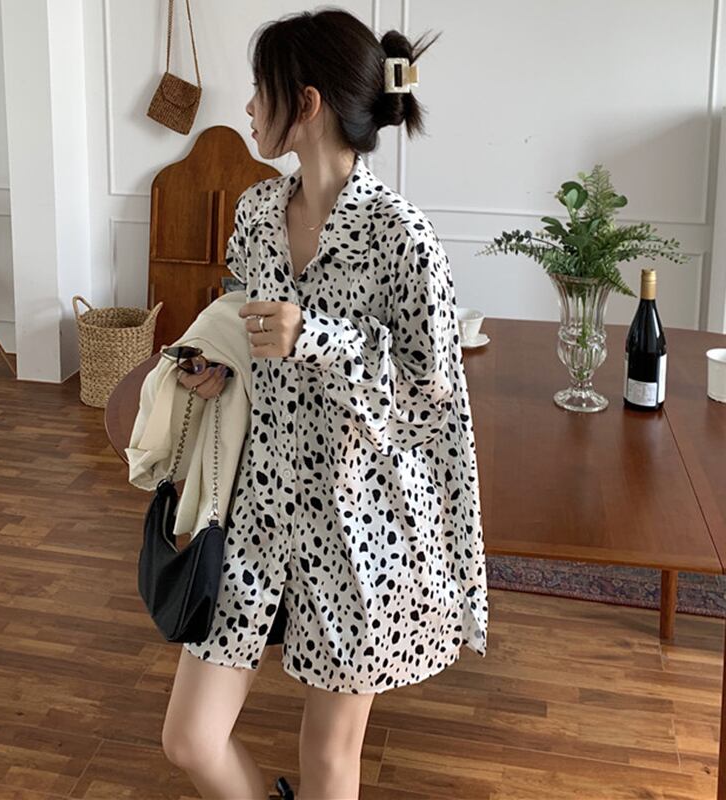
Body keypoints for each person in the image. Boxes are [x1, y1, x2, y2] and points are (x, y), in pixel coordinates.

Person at [160, 8, 488, 800]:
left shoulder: (402, 237)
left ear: (304, 104)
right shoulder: (255, 215)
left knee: (329, 760)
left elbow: (431, 396)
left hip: (363, 527)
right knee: (189, 739)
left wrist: (322, 338)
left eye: (259, 90)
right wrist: (220, 367)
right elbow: (242, 321)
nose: (247, 107)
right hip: (259, 507)